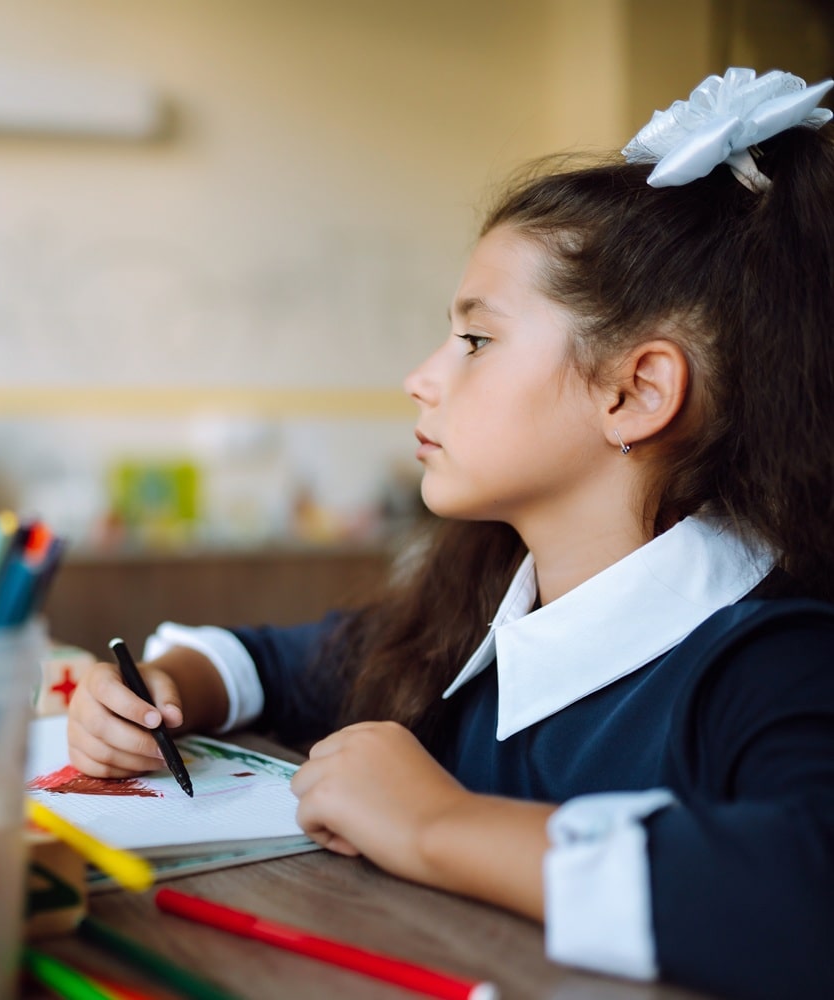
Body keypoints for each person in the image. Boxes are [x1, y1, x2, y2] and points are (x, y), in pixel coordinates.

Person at [66, 68, 834, 999]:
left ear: (633, 394)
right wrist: (155, 694)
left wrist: (438, 825)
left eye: (475, 341)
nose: (422, 378)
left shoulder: (773, 663)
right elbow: (274, 662)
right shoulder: (480, 600)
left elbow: (802, 890)